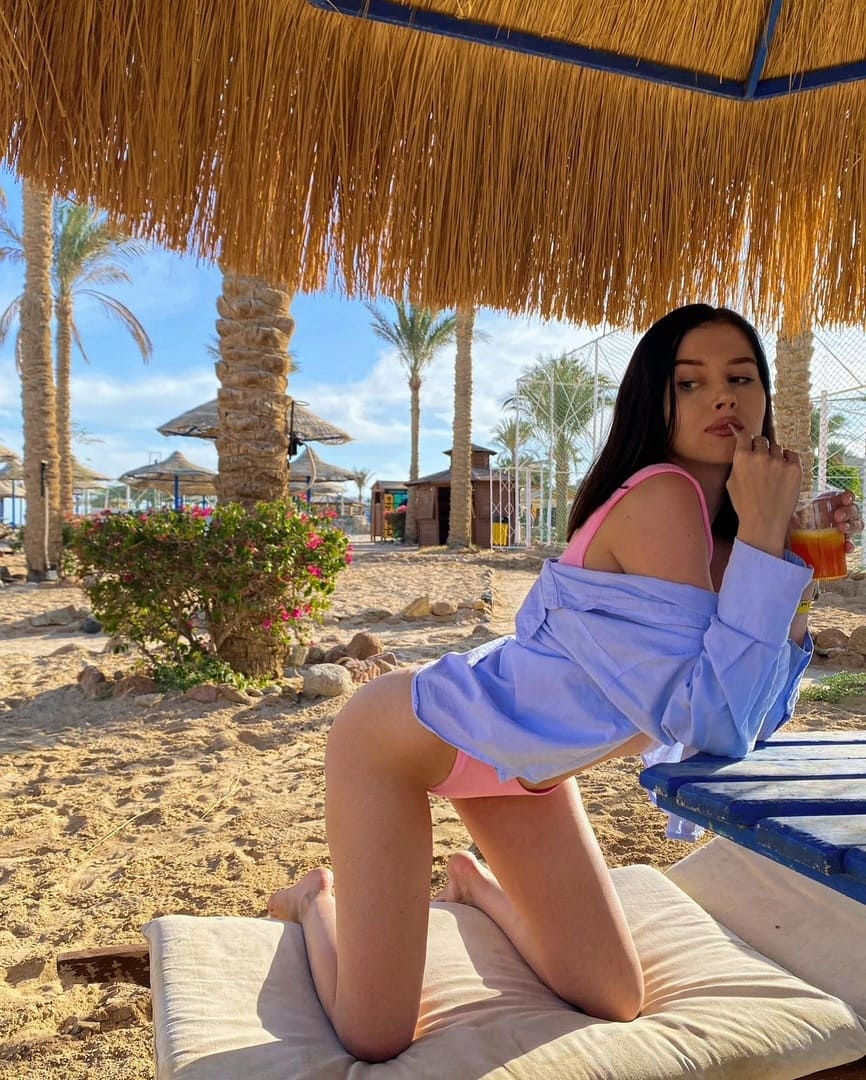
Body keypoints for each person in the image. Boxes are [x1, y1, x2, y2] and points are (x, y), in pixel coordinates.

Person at [268, 304, 862, 1063]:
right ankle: (313, 900)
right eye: (690, 382)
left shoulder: (725, 536)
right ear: (653, 401)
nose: (722, 396)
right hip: (404, 743)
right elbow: (712, 723)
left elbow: (752, 718)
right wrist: (765, 543)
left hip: (529, 768)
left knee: (614, 997)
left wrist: (791, 564)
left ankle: (473, 885)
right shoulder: (662, 498)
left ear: (765, 396)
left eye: (741, 378)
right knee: (373, 1036)